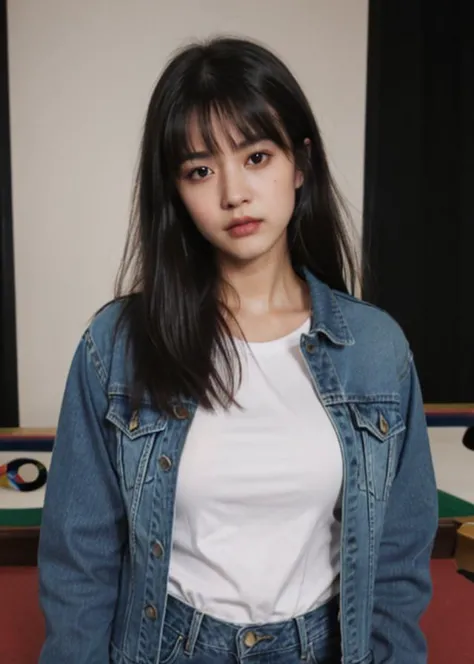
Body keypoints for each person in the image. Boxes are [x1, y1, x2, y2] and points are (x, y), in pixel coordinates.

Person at [37, 36, 438, 664]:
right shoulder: (114, 347)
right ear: (175, 190)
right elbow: (78, 567)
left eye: (256, 156)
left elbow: (398, 565)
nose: (233, 193)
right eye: (200, 169)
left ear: (299, 164)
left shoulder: (376, 349)